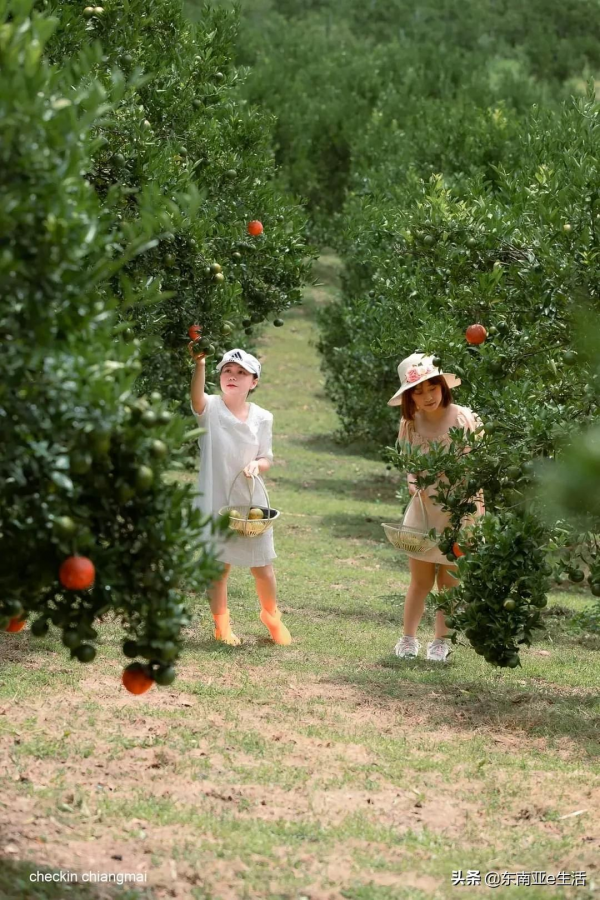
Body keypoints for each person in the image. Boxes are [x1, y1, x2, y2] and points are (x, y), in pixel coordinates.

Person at [189, 343, 291, 646]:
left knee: (263, 567)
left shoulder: (263, 417)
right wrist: (200, 364)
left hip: (249, 500)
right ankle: (222, 626)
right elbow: (196, 398)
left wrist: (257, 465)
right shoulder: (210, 409)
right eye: (227, 371)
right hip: (216, 498)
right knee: (218, 569)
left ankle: (271, 616)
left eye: (241, 373)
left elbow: (266, 457)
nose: (232, 376)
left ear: (253, 382)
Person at [387, 353, 484, 662]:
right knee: (420, 581)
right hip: (424, 509)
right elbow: (410, 465)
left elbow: (479, 467)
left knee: (449, 583)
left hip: (460, 510)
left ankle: (440, 642)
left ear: (442, 385)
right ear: (409, 397)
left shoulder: (464, 418)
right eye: (418, 391)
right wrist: (412, 481)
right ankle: (407, 639)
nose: (428, 396)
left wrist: (469, 507)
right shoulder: (409, 423)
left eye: (432, 387)